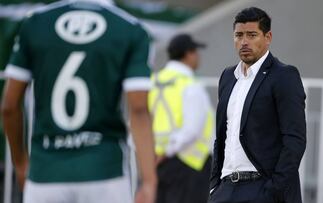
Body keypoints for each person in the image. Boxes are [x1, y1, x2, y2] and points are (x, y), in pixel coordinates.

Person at [1, 0, 157, 202]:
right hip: (105, 171)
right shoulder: (130, 29)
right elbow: (138, 108)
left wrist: (20, 162)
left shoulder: (36, 23)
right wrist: (149, 181)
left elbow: (9, 106)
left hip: (46, 171)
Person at [209, 7, 306, 203]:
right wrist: (214, 187)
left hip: (262, 188)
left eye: (252, 35)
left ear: (267, 37)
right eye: (239, 35)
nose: (244, 42)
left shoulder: (283, 75)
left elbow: (295, 140)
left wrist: (274, 190)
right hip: (225, 190)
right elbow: (222, 136)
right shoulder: (228, 77)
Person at [148, 33, 214, 203]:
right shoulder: (189, 84)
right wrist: (168, 150)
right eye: (196, 52)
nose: (198, 57)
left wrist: (155, 154)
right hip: (190, 162)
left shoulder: (153, 82)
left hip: (156, 162)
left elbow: (140, 120)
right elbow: (192, 129)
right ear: (188, 53)